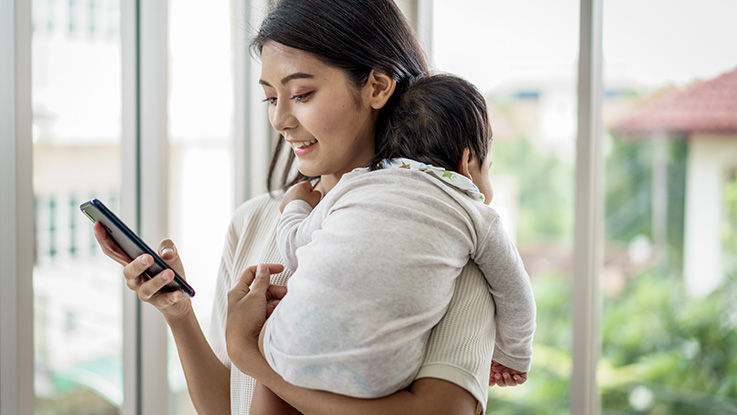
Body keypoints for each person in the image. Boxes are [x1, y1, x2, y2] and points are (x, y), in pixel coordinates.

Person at [92, 1, 523, 414]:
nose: (280, 119)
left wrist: (252, 355)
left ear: (376, 86)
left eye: (301, 94)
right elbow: (227, 407)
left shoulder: (442, 244)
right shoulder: (256, 220)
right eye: (269, 98)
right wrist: (179, 314)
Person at [257, 74, 535, 406]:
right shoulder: (474, 214)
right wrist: (513, 355)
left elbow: (295, 250)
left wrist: (294, 206)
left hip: (287, 353)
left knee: (267, 336)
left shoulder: (353, 185)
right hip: (379, 379)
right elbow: (516, 292)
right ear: (466, 163)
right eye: (488, 167)